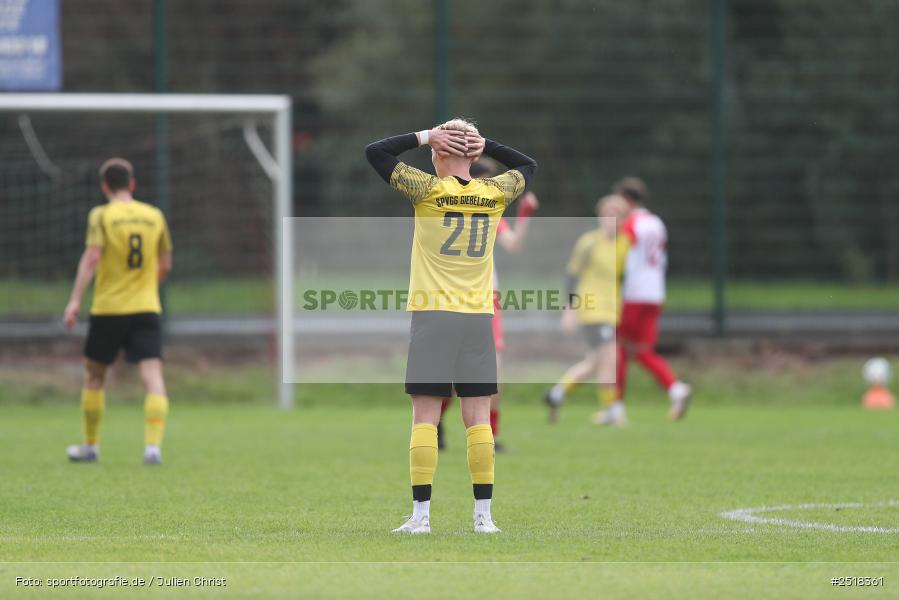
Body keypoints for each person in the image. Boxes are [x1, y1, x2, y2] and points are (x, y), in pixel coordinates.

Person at [366, 119, 536, 534]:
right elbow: (528, 165)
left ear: (439, 152)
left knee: (425, 418)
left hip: (433, 316)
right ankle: (484, 519)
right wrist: (485, 144)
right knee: (478, 419)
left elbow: (377, 152)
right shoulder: (493, 193)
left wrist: (425, 136)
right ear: (474, 155)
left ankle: (421, 518)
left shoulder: (426, 190)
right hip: (479, 318)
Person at [63, 158, 173, 465]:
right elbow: (165, 264)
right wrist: (147, 287)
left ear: (105, 187)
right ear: (133, 184)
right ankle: (153, 448)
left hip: (109, 308)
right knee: (153, 377)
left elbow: (93, 257)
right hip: (146, 307)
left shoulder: (102, 215)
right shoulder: (154, 216)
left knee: (95, 377)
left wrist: (74, 300)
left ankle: (91, 446)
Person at [436, 157, 539, 452]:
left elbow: (514, 244)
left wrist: (525, 216)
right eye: (486, 180)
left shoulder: (493, 212)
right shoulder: (447, 207)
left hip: (487, 297)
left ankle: (490, 436)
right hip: (454, 296)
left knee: (493, 371)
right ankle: (437, 422)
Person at [544, 195, 630, 425]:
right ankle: (611, 408)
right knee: (609, 359)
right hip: (592, 308)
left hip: (612, 310)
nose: (610, 218)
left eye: (617, 214)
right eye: (606, 213)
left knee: (594, 363)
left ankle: (556, 394)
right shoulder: (589, 242)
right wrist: (570, 308)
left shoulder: (624, 244)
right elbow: (572, 275)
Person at [613, 177, 691, 419]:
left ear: (626, 200)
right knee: (643, 350)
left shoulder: (631, 224)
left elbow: (620, 258)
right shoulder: (657, 222)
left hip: (634, 293)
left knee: (618, 349)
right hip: (655, 292)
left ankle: (616, 407)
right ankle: (676, 388)